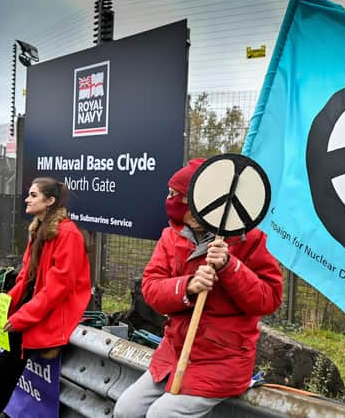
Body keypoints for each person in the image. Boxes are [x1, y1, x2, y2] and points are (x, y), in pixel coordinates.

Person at [114, 158, 283, 418]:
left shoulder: (250, 239)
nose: (168, 200)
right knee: (126, 410)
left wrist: (230, 267)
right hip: (174, 354)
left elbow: (269, 299)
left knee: (162, 415)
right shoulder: (170, 236)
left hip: (222, 361)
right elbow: (151, 289)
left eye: (175, 195)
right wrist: (188, 286)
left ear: (199, 200)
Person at [0, 177, 91, 418]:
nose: (27, 199)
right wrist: (4, 304)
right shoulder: (38, 229)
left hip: (50, 313)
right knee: (1, 376)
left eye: (33, 195)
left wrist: (22, 317)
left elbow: (57, 289)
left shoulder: (68, 234)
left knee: (1, 376)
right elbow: (25, 278)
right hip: (34, 310)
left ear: (50, 201)